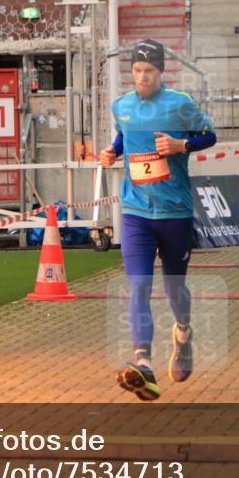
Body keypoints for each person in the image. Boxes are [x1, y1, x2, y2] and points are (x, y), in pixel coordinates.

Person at [99, 39, 217, 401]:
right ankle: (144, 363)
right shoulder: (122, 106)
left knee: (174, 290)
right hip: (136, 212)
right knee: (137, 286)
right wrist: (113, 151)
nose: (142, 77)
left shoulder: (180, 105)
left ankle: (183, 333)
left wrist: (183, 147)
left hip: (175, 212)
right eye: (136, 71)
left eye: (148, 71)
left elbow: (209, 136)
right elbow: (125, 135)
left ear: (161, 72)